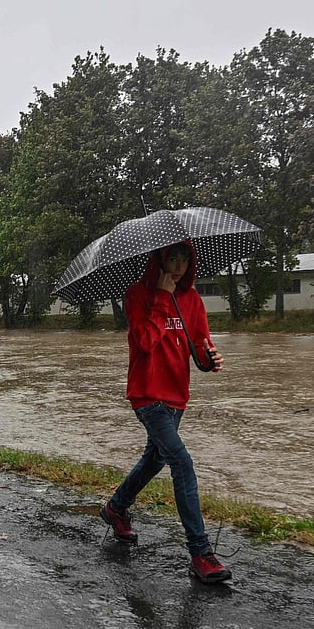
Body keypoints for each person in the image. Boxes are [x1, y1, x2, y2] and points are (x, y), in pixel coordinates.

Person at [100, 240, 231, 583]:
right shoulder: (137, 295)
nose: (178, 266)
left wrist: (210, 360)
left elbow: (200, 347)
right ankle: (200, 552)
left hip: (177, 396)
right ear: (158, 260)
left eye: (184, 259)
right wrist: (160, 297)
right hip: (147, 395)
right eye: (171, 258)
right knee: (180, 461)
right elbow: (143, 341)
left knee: (155, 458)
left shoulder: (192, 301)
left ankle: (115, 508)